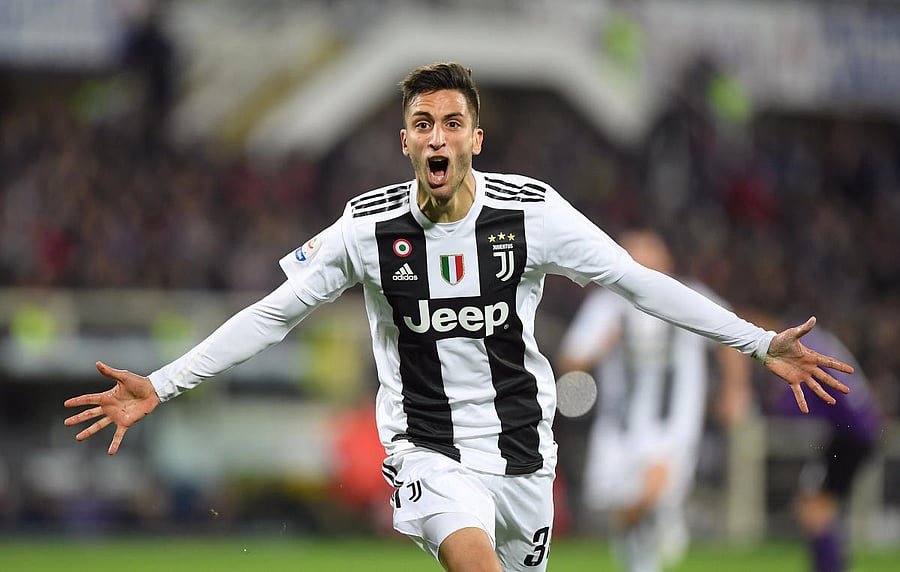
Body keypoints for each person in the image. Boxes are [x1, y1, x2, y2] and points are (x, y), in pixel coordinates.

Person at [64, 62, 854, 572]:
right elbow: (272, 316)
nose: (436, 137)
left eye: (451, 124)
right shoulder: (365, 229)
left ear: (475, 137)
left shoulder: (532, 213)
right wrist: (162, 385)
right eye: (421, 124)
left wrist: (755, 344)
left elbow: (635, 281)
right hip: (428, 451)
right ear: (404, 140)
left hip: (524, 456)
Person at [556, 228, 751, 572]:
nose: (639, 263)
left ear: (665, 260)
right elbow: (570, 360)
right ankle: (644, 559)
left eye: (647, 255)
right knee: (625, 512)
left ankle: (665, 512)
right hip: (619, 425)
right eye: (632, 255)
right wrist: (603, 344)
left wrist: (735, 389)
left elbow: (730, 335)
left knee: (650, 491)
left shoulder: (688, 295)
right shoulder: (607, 304)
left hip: (673, 421)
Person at [722, 310, 881, 572]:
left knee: (814, 506)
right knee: (815, 503)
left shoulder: (795, 347)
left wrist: (754, 406)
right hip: (855, 430)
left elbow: (791, 402)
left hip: (853, 435)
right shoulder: (815, 339)